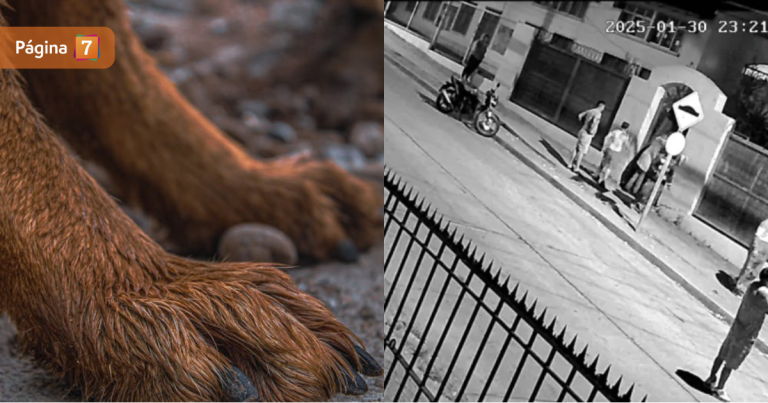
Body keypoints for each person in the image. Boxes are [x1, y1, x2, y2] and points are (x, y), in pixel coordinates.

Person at [705, 268, 768, 402]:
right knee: (731, 362)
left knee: (722, 354)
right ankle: (720, 389)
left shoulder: (753, 286)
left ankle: (711, 378)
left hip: (737, 326)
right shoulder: (765, 294)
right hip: (747, 333)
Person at [733, 218, 768, 296]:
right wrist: (755, 248)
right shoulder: (765, 224)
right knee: (750, 269)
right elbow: (757, 236)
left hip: (765, 251)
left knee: (755, 270)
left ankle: (740, 283)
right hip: (759, 248)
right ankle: (740, 288)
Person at [569, 101, 605, 173]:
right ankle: (576, 167)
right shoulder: (598, 114)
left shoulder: (591, 110)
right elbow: (594, 122)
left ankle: (570, 164)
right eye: (603, 107)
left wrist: (583, 124)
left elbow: (580, 115)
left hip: (582, 130)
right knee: (581, 151)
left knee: (576, 148)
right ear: (601, 106)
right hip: (587, 133)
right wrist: (591, 130)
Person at [596, 121, 630, 188]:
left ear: (621, 126)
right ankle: (603, 180)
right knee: (609, 167)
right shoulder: (626, 136)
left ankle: (597, 175)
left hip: (610, 148)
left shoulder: (616, 132)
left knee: (603, 163)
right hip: (616, 151)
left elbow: (607, 137)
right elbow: (627, 145)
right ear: (627, 128)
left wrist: (604, 146)